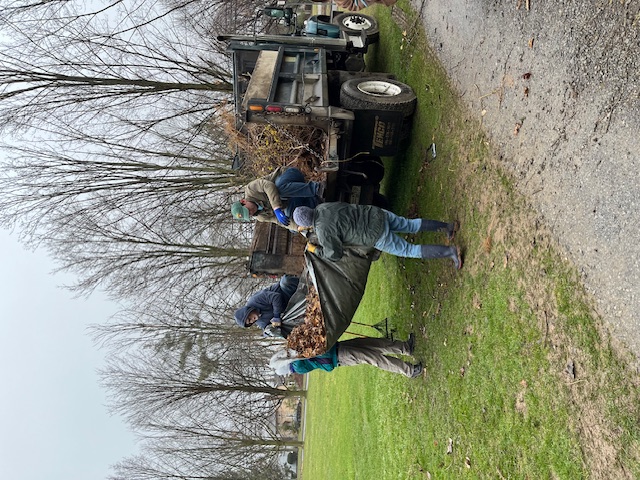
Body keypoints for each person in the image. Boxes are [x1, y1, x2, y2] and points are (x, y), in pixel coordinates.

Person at [292, 203, 462, 268]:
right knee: (410, 224)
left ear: (305, 224)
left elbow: (334, 254)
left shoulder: (323, 232)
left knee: (409, 250)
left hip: (375, 235)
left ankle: (451, 252)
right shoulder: (323, 207)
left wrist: (315, 250)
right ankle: (448, 227)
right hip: (376, 214)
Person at [269, 335, 423, 378]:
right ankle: (409, 371)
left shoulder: (295, 356)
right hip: (339, 356)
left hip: (337, 347)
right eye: (283, 355)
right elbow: (307, 353)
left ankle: (405, 347)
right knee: (374, 358)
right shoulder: (297, 365)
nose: (284, 352)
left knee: (374, 343)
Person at [231, 166, 323, 230]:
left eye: (248, 210)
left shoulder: (251, 189)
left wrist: (276, 208)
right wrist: (298, 227)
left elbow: (268, 186)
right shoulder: (261, 217)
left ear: (243, 201)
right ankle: (316, 203)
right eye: (249, 215)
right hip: (293, 197)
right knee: (291, 220)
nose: (251, 212)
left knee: (279, 190)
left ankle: (318, 189)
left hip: (290, 176)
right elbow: (279, 221)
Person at [234, 275, 300, 333]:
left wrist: (276, 316)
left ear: (247, 312)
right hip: (291, 308)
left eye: (249, 319)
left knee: (285, 281)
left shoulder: (255, 300)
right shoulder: (260, 322)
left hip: (286, 293)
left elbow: (276, 297)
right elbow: (266, 328)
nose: (252, 321)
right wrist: (268, 332)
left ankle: (306, 283)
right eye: (250, 322)